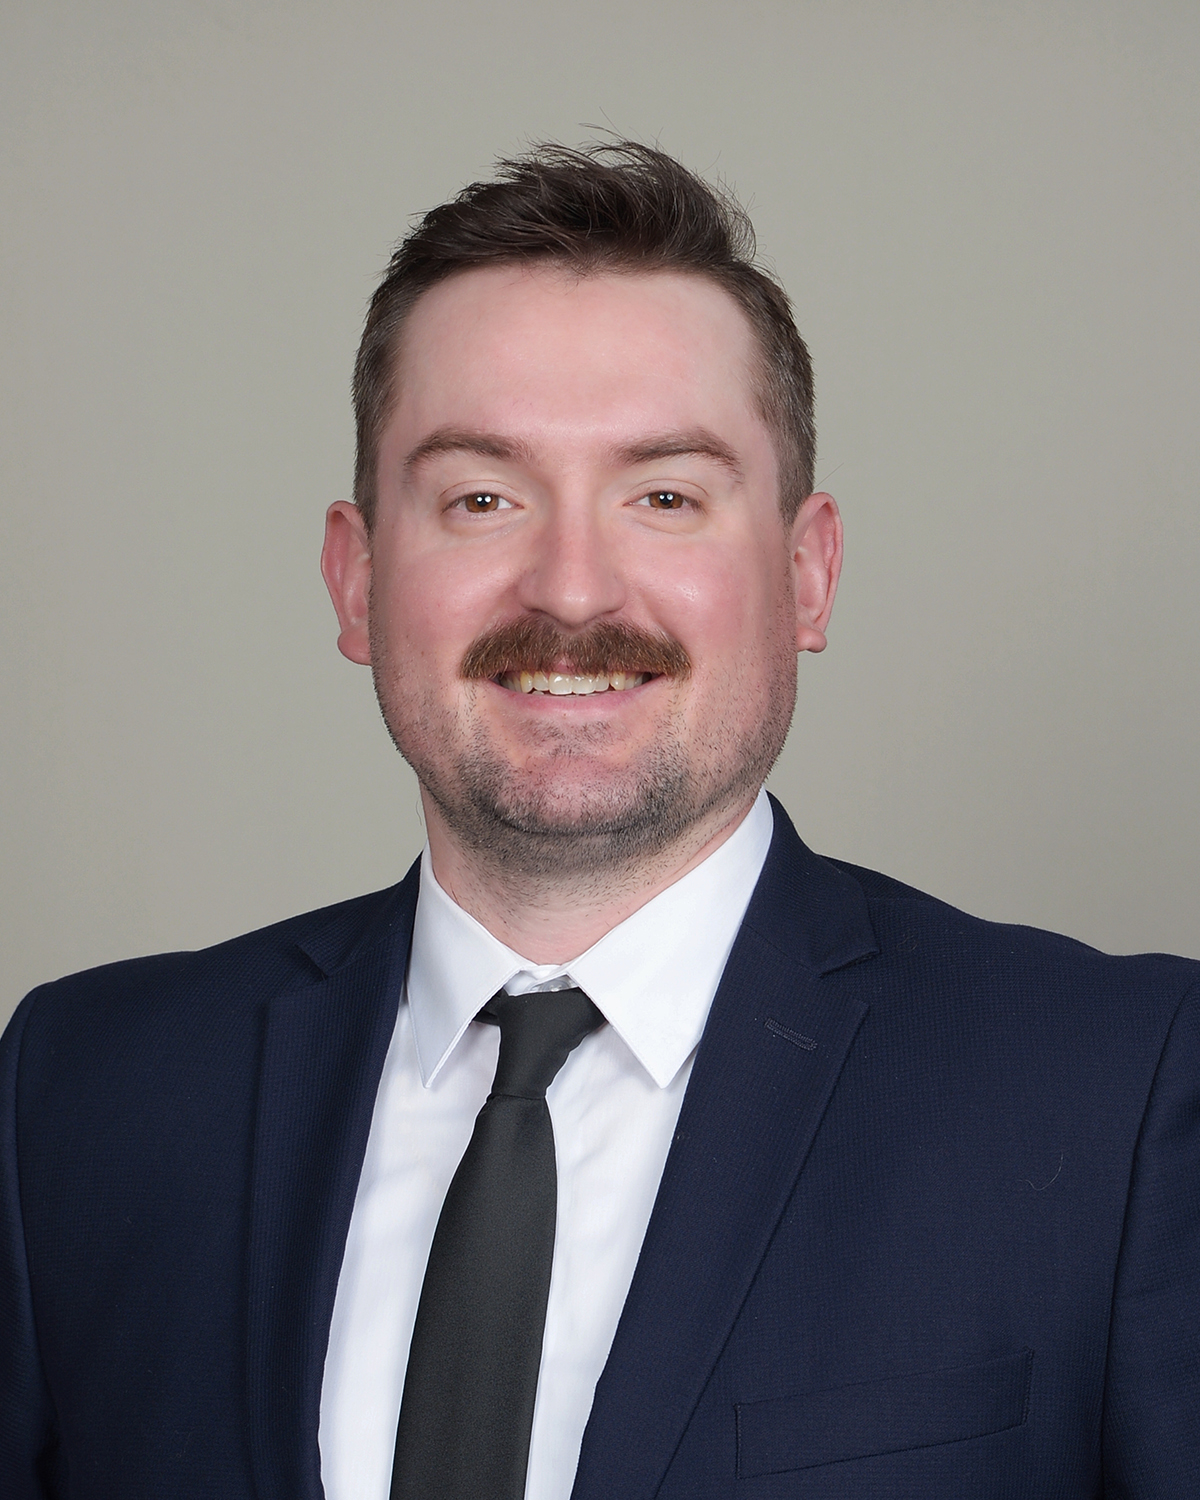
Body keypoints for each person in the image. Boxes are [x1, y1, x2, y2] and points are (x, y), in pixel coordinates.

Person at [2, 142, 1197, 1500]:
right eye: (482, 499)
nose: (571, 590)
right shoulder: (84, 1097)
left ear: (806, 575)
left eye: (665, 497)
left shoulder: (1120, 1095)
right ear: (357, 579)